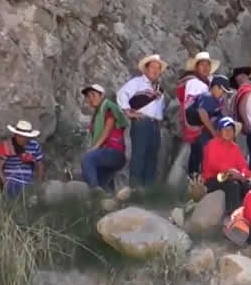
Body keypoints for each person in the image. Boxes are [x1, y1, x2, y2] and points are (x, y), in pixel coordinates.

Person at [116, 54, 167, 186]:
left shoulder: (159, 89)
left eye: (158, 68)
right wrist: (128, 111)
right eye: (153, 67)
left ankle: (147, 192)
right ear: (146, 69)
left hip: (155, 125)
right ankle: (134, 190)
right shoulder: (137, 82)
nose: (155, 70)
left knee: (152, 158)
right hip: (142, 122)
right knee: (139, 156)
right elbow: (122, 94)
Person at [80, 84, 129, 191]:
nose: (91, 98)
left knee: (87, 159)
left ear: (102, 95)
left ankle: (95, 192)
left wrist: (94, 149)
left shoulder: (108, 107)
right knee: (102, 183)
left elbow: (108, 129)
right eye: (88, 96)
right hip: (107, 155)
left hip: (113, 152)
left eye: (93, 94)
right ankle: (105, 197)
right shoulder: (98, 113)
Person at [201, 117, 251, 214]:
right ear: (219, 131)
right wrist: (229, 170)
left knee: (250, 186)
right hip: (213, 179)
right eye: (225, 129)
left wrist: (244, 175)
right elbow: (212, 164)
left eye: (231, 129)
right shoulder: (212, 144)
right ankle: (233, 215)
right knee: (233, 186)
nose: (228, 132)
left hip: (231, 177)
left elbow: (243, 166)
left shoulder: (235, 147)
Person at [187, 75, 233, 176]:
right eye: (222, 90)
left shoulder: (216, 101)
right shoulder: (208, 97)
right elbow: (202, 113)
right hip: (201, 135)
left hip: (202, 135)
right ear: (215, 87)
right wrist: (214, 132)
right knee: (201, 160)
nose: (223, 94)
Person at [177, 51, 220, 144]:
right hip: (200, 125)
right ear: (196, 68)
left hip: (198, 127)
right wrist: (213, 132)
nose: (205, 67)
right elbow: (201, 110)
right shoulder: (195, 82)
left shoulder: (205, 84)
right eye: (202, 65)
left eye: (207, 65)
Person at [0, 120, 44, 197]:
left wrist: (38, 182)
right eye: (19, 136)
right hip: (12, 181)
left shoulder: (34, 145)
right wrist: (6, 183)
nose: (21, 139)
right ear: (15, 134)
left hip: (28, 182)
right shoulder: (6, 146)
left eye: (24, 136)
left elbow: (39, 164)